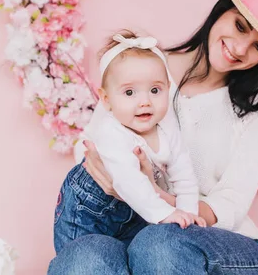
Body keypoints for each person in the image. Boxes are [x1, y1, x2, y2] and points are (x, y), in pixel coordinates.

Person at [48, 0, 258, 275]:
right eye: (240, 27)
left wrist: (161, 199)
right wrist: (123, 178)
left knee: (159, 244)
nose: (240, 49)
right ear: (222, 11)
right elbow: (91, 149)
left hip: (214, 242)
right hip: (126, 223)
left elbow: (231, 203)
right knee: (85, 257)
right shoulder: (145, 67)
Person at [53, 31, 205, 254]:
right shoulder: (111, 132)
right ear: (106, 99)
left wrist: (188, 213)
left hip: (136, 209)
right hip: (87, 208)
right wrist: (165, 213)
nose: (144, 102)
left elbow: (185, 176)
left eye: (155, 90)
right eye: (130, 92)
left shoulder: (167, 130)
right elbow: (129, 182)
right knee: (82, 259)